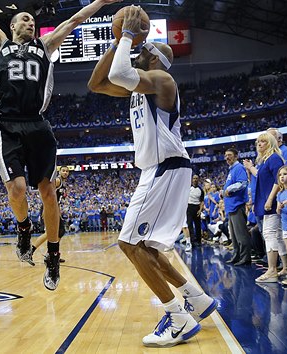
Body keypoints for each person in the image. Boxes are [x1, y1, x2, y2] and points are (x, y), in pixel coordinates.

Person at [88, 6, 217, 347]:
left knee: (129, 244)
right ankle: (197, 299)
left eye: (142, 50)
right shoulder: (139, 87)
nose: (136, 51)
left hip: (165, 168)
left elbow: (117, 75)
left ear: (154, 59)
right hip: (163, 169)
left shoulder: (160, 79)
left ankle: (177, 318)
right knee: (146, 247)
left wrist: (128, 35)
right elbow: (97, 83)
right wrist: (118, 41)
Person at [0, 0, 120, 291]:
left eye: (32, 21)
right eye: (24, 19)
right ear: (12, 25)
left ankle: (53, 257)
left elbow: (76, 19)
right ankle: (24, 228)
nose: (30, 23)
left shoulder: (44, 45)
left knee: (48, 194)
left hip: (38, 123)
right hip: (6, 123)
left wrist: (101, 2)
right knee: (16, 189)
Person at [243, 133, 287, 283]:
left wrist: (269, 199)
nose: (260, 144)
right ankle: (285, 267)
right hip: (266, 201)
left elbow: (278, 179)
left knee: (270, 234)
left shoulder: (274, 157)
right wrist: (250, 168)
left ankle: (272, 270)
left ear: (270, 143)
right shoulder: (265, 160)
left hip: (272, 202)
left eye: (263, 141)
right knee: (278, 235)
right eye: (258, 142)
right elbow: (263, 177)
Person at [30, 166, 70, 265]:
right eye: (63, 171)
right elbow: (46, 193)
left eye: (67, 171)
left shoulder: (63, 184)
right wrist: (45, 208)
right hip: (48, 208)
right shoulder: (57, 181)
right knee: (49, 233)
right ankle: (30, 251)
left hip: (55, 209)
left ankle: (52, 254)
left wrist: (59, 213)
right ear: (59, 172)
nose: (65, 172)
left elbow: (57, 201)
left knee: (60, 232)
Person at [222, 148, 252, 266]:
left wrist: (229, 189)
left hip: (237, 205)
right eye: (225, 155)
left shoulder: (238, 168)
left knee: (241, 234)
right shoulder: (231, 170)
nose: (227, 157)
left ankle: (245, 257)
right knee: (233, 236)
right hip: (230, 207)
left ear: (236, 156)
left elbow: (243, 183)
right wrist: (223, 191)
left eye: (229, 155)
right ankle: (236, 255)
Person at [186, 175, 205, 247]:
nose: (195, 180)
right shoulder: (188, 189)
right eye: (194, 178)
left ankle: (199, 241)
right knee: (190, 225)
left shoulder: (201, 190)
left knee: (198, 225)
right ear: (192, 180)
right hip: (189, 207)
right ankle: (192, 241)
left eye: (196, 178)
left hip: (197, 208)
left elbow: (202, 201)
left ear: (198, 180)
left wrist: (200, 210)